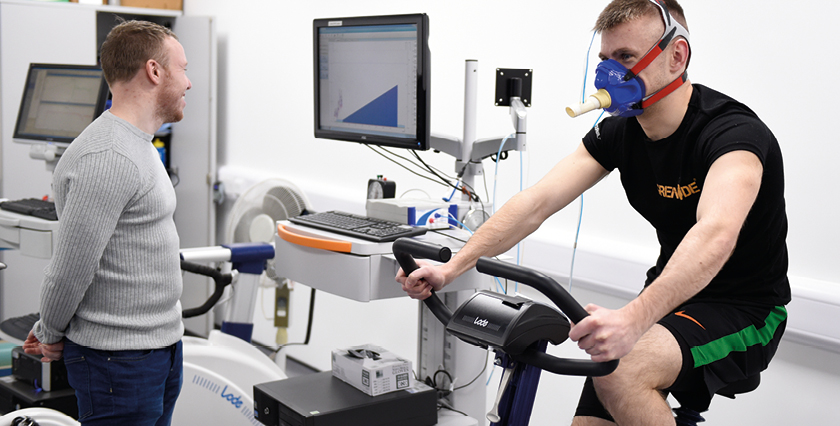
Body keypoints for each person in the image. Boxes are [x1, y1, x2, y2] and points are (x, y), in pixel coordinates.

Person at [397, 1, 790, 425]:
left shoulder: (733, 136)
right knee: (603, 385)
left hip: (745, 309)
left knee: (620, 373)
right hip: (670, 293)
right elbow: (538, 201)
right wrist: (453, 268)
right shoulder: (619, 131)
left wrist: (634, 319)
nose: (610, 73)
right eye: (605, 59)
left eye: (626, 58)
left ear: (677, 56)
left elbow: (715, 234)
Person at [22, 20, 192, 426]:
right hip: (120, 361)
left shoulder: (139, 143)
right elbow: (70, 269)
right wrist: (49, 331)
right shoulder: (108, 155)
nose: (188, 83)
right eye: (183, 69)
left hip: (159, 348)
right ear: (154, 71)